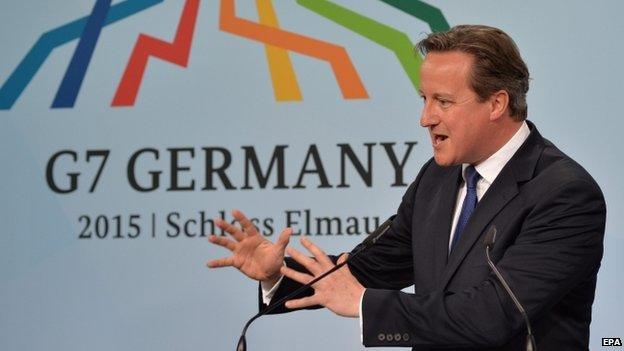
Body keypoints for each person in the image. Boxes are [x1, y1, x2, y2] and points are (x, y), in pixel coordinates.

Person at [206, 25, 606, 350]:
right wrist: (278, 276)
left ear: (497, 104)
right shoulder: (437, 179)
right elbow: (370, 268)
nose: (425, 118)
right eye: (424, 98)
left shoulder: (563, 194)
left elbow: (493, 315)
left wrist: (364, 304)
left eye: (443, 102)